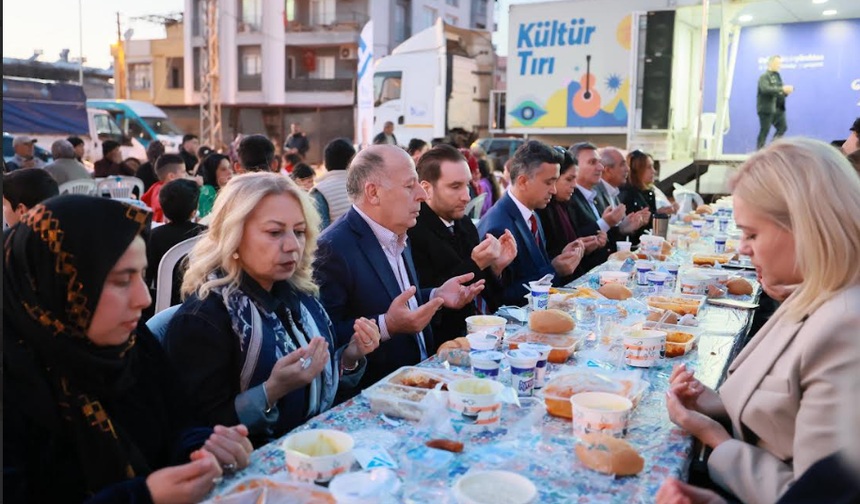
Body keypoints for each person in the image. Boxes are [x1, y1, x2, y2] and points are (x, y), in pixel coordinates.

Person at [4, 195, 252, 504]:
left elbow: (180, 420)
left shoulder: (132, 344)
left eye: (141, 276)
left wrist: (202, 447)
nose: (143, 299)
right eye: (122, 280)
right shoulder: (14, 379)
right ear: (59, 284)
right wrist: (142, 497)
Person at [664, 138, 860, 504]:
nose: (742, 247)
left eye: (752, 233)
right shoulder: (812, 289)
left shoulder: (846, 327)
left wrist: (716, 440)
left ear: (807, 227)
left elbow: (814, 494)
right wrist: (713, 404)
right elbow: (783, 407)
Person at [164, 173, 380, 445]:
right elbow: (196, 432)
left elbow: (317, 385)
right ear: (233, 236)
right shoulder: (204, 319)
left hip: (318, 448)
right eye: (275, 232)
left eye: (299, 231)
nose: (292, 246)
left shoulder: (298, 294)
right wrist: (272, 390)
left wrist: (349, 356)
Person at [315, 145, 485, 392]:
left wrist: (435, 294)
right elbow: (324, 337)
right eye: (409, 186)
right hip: (377, 394)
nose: (421, 194)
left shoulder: (399, 232)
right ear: (373, 193)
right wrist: (387, 325)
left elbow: (398, 300)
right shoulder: (332, 248)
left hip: (419, 381)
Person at [409, 145, 517, 343]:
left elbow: (489, 295)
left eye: (467, 185)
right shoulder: (412, 231)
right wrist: (475, 264)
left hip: (486, 332)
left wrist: (496, 267)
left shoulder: (464, 223)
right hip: (446, 343)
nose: (467, 196)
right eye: (455, 186)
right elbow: (428, 298)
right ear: (426, 189)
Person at [478, 140, 585, 306]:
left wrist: (558, 259)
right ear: (522, 181)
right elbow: (500, 298)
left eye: (555, 182)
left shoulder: (531, 213)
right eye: (548, 182)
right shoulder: (499, 227)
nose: (554, 190)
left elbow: (531, 268)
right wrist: (555, 271)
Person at [534, 148, 603, 278]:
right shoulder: (542, 209)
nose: (574, 185)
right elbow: (543, 257)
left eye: (575, 179)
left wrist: (584, 245)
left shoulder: (565, 204)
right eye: (569, 179)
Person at [568, 142, 629, 270]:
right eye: (592, 162)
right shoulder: (569, 197)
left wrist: (623, 228)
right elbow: (572, 239)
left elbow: (604, 240)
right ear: (574, 167)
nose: (600, 167)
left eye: (599, 162)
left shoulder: (597, 194)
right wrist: (606, 222)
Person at [146, 178, 206, 307]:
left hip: (163, 307)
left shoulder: (154, 236)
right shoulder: (207, 235)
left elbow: (147, 276)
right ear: (194, 211)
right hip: (202, 304)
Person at [619, 150, 674, 245]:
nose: (654, 171)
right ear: (637, 170)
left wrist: (659, 215)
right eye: (649, 167)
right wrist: (655, 216)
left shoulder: (649, 193)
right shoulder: (626, 194)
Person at [311, 138, 355, 229]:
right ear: (352, 161)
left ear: (325, 163)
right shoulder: (365, 186)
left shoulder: (320, 191)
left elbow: (320, 233)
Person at [756, 55, 793, 150]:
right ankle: (759, 152)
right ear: (771, 63)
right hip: (766, 109)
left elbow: (779, 91)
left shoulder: (778, 77)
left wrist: (786, 92)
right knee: (765, 131)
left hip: (778, 109)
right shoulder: (764, 77)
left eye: (780, 63)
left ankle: (771, 149)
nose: (780, 66)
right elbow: (765, 89)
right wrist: (782, 89)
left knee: (783, 127)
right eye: (778, 63)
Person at [142, 154, 187, 223]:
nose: (186, 175)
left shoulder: (155, 186)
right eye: (183, 172)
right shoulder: (171, 195)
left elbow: (142, 203)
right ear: (171, 176)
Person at [197, 153, 234, 219]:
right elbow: (204, 222)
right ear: (212, 172)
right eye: (223, 169)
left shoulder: (229, 189)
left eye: (229, 167)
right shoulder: (206, 192)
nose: (230, 172)